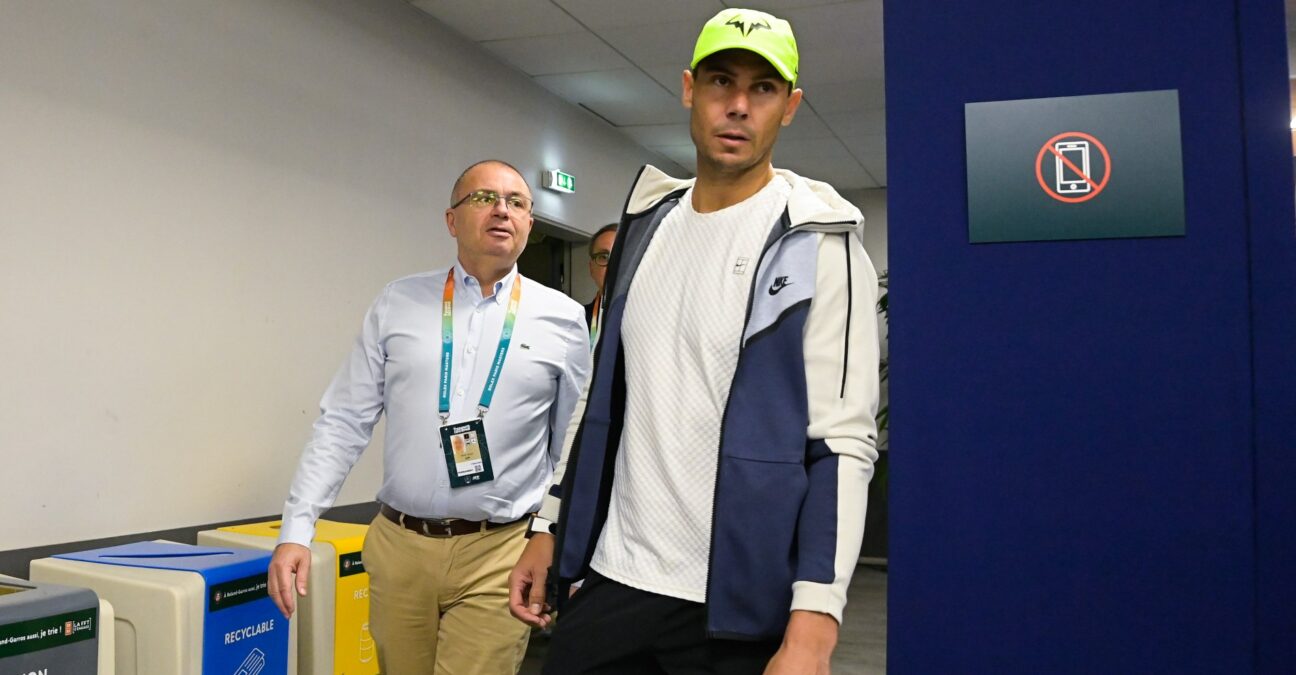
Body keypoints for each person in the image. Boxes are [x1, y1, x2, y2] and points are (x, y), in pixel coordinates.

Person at [509, 8, 881, 675]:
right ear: (689, 89)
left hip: (736, 603)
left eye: (762, 89)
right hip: (613, 580)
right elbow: (601, 396)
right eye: (720, 81)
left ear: (789, 106)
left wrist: (815, 624)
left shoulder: (820, 243)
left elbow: (843, 443)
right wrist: (549, 525)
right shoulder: (645, 229)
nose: (738, 106)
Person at [269, 159, 591, 675]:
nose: (502, 211)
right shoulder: (398, 302)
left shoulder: (563, 319)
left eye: (517, 202)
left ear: (530, 223)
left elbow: (571, 441)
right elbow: (344, 421)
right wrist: (296, 529)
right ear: (451, 220)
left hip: (500, 549)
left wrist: (550, 531)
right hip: (400, 546)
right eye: (484, 198)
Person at [583, 223, 617, 344]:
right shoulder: (576, 320)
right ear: (592, 268)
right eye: (604, 257)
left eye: (621, 255)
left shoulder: (655, 318)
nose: (613, 266)